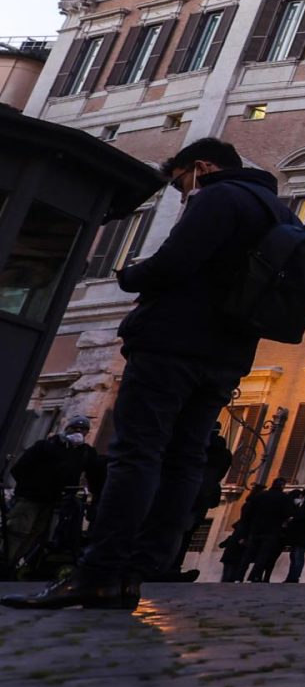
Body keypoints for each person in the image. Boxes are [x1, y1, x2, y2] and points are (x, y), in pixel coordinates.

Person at [9, 140, 285, 612]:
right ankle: (134, 573)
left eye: (180, 183)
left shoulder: (218, 196)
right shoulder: (279, 213)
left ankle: (98, 571)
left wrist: (130, 276)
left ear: (201, 167)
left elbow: (176, 263)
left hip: (171, 343)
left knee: (136, 453)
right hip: (225, 356)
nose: (182, 195)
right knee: (185, 459)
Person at [3, 417, 100, 580]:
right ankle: (4, 563)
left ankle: (11, 568)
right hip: (30, 499)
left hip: (54, 502)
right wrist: (33, 487)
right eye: (75, 428)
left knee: (35, 534)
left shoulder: (85, 453)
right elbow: (19, 469)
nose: (79, 432)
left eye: (84, 430)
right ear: (67, 429)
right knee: (17, 531)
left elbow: (95, 473)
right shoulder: (45, 446)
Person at [241, 478, 293, 582]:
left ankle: (239, 576)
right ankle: (254, 577)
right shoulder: (283, 498)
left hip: (256, 529)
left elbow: (249, 512)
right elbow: (287, 513)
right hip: (271, 531)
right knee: (263, 555)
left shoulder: (260, 496)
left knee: (247, 555)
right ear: (282, 486)